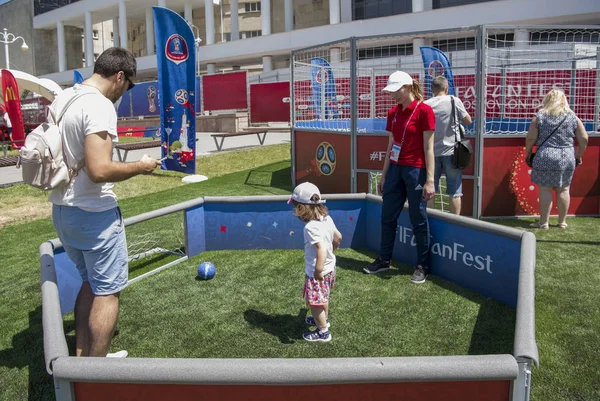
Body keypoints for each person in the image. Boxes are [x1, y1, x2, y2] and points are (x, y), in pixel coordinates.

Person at [49, 47, 161, 358]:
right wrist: (141, 166)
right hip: (94, 213)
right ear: (120, 76)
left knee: (90, 284)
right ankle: (96, 375)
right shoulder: (99, 105)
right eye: (129, 85)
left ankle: (83, 362)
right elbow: (99, 171)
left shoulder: (64, 98)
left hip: (63, 210)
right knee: (107, 293)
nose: (126, 92)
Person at [363, 70, 436, 284]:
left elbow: (429, 148)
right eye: (390, 91)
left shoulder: (425, 111)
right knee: (387, 217)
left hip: (416, 170)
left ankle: (422, 265)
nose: (392, 95)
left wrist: (430, 180)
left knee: (418, 218)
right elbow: (390, 146)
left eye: (395, 90)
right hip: (395, 170)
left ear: (407, 88)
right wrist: (384, 176)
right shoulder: (393, 113)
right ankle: (384, 260)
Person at [525, 89, 588, 229]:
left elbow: (530, 138)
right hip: (567, 156)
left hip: (545, 155)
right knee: (564, 189)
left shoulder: (540, 116)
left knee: (545, 189)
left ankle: (544, 222)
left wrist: (528, 153)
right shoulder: (572, 116)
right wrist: (578, 156)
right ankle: (562, 222)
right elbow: (584, 138)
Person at [289, 182, 342, 342]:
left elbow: (321, 249)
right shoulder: (327, 218)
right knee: (323, 297)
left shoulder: (310, 227)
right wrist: (333, 250)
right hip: (330, 268)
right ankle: (323, 319)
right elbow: (338, 237)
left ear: (301, 208)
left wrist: (318, 271)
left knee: (315, 303)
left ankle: (323, 331)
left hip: (318, 272)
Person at [424, 76, 472, 215]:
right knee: (455, 192)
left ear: (432, 89)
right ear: (446, 88)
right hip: (452, 152)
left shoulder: (426, 105)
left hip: (430, 153)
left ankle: (430, 220)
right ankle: (454, 223)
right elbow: (468, 121)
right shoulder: (453, 100)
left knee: (430, 189)